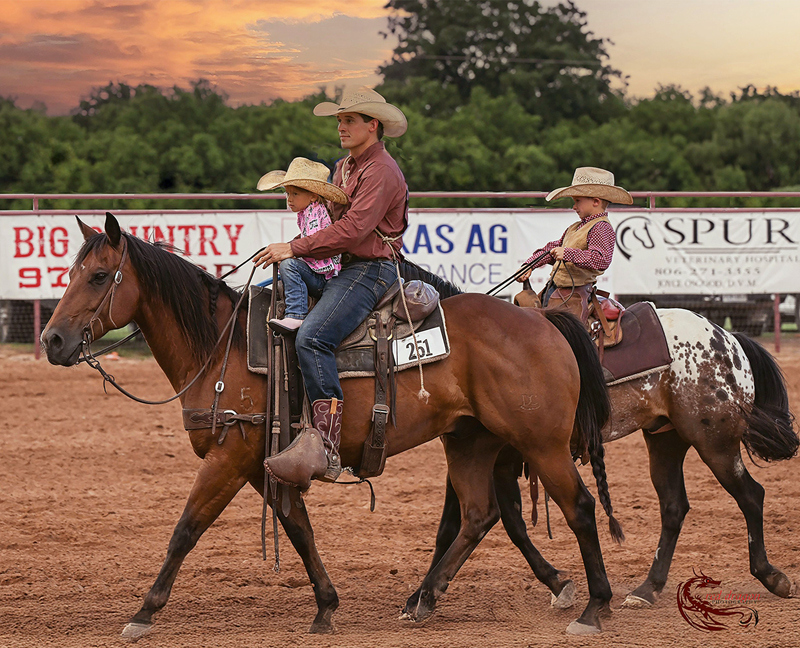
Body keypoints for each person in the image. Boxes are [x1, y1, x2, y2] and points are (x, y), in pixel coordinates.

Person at [253, 87, 409, 489]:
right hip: (343, 266)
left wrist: (294, 246)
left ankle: (326, 445)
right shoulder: (343, 168)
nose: (340, 127)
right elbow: (329, 222)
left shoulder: (381, 171)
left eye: (349, 120)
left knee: (312, 338)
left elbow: (354, 230)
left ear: (372, 125)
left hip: (370, 269)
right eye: (339, 121)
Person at [516, 167, 632, 320]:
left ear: (596, 201)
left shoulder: (602, 227)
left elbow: (601, 259)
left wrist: (567, 253)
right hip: (555, 291)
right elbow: (551, 249)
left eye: (577, 201)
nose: (574, 206)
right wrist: (530, 265)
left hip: (575, 296)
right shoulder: (575, 227)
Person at [256, 157, 348, 334]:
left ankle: (296, 314)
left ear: (313, 195)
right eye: (287, 194)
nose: (289, 199)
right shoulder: (309, 212)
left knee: (289, 265)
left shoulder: (314, 214)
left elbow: (311, 244)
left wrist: (289, 252)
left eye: (295, 194)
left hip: (323, 277)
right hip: (320, 273)